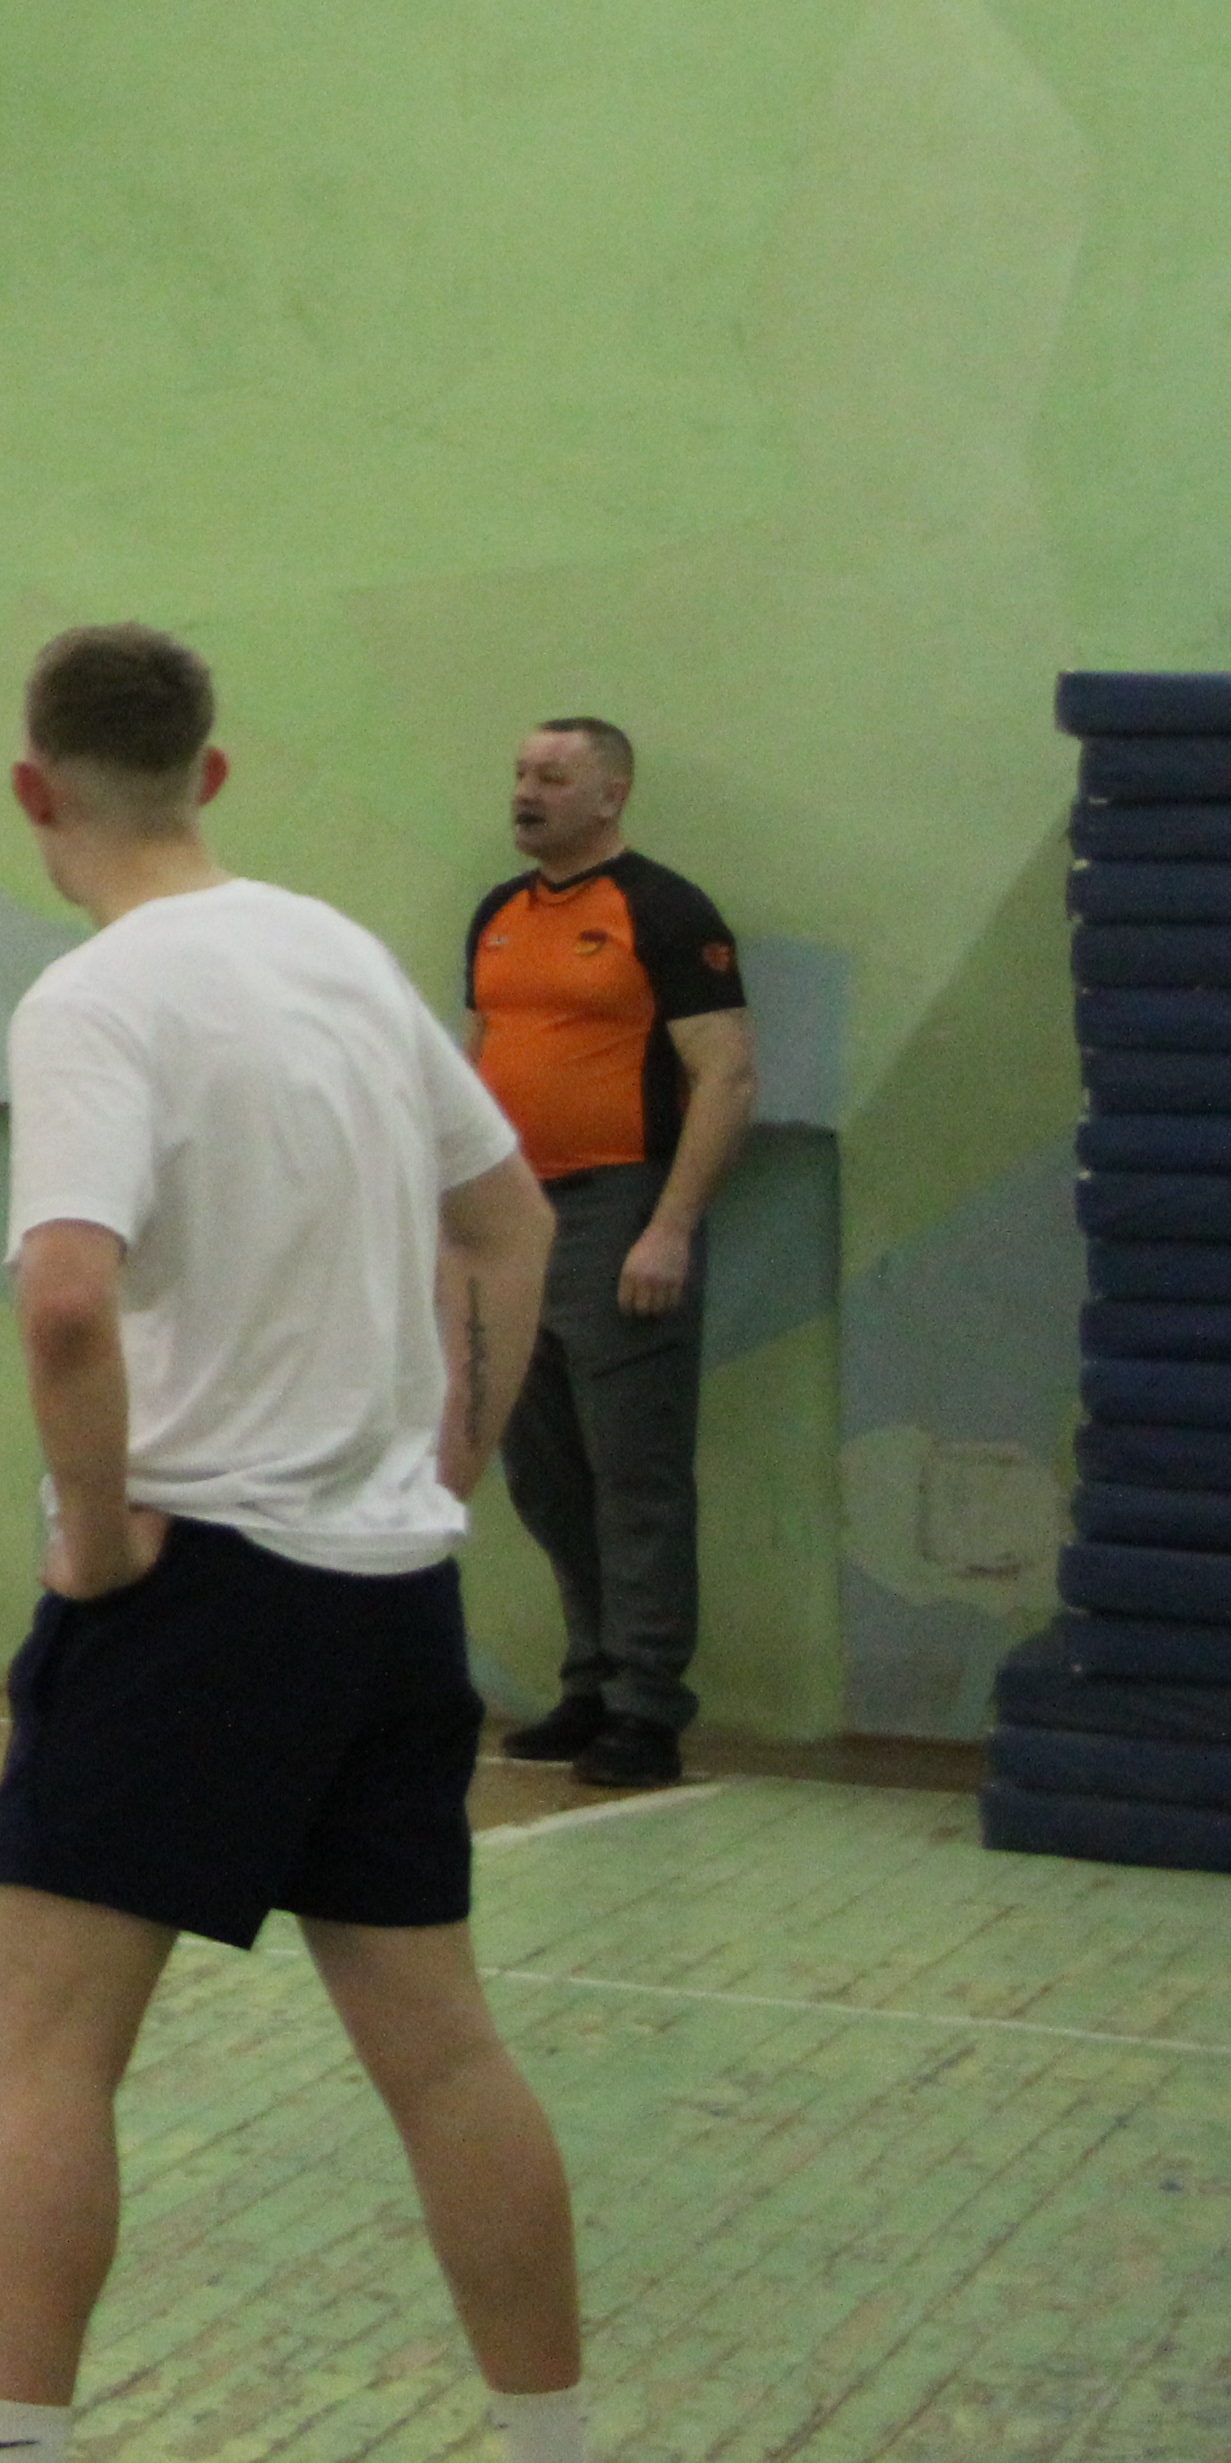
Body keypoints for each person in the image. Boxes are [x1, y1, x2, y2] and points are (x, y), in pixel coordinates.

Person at [0, 626, 580, 2463]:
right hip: (388, 1595)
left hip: (198, 1589)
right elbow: (510, 1221)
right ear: (210, 773)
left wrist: (93, 1538)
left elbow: (65, 1301)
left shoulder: (93, 999)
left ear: (31, 788)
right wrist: (444, 1457)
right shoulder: (340, 956)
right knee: (445, 2060)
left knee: (48, 2060)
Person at [466, 716, 755, 1793]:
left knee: (635, 1471)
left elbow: (726, 1076)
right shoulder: (498, 915)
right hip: (514, 1219)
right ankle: (588, 1682)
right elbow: (478, 1063)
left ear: (610, 795)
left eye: (552, 775)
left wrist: (668, 1228)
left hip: (619, 1209)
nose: (526, 790)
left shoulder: (666, 911)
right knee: (543, 1470)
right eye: (520, 771)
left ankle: (646, 1707)